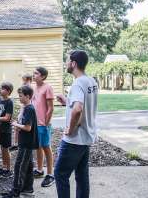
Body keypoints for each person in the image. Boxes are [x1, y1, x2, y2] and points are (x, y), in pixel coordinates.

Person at [55, 50, 98, 198]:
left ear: (73, 63)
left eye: (67, 61)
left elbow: (78, 110)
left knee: (60, 173)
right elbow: (81, 105)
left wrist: (70, 129)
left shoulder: (77, 84)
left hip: (75, 139)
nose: (65, 63)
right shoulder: (91, 81)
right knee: (81, 176)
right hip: (86, 138)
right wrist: (67, 102)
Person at [4, 85, 39, 198]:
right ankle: (28, 188)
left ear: (28, 96)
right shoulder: (27, 107)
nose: (19, 98)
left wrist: (15, 124)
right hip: (25, 142)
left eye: (21, 96)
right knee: (28, 166)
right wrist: (18, 123)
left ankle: (15, 192)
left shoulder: (29, 109)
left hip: (26, 144)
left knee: (19, 167)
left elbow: (28, 127)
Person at [32, 66, 55, 187]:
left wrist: (46, 124)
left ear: (43, 76)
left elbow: (51, 108)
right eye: (33, 73)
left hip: (43, 124)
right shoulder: (34, 88)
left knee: (46, 147)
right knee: (38, 147)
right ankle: (40, 170)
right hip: (35, 124)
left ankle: (50, 174)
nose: (33, 75)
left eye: (36, 73)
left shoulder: (48, 87)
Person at [0, 82, 14, 178]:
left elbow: (7, 118)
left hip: (6, 130)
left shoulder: (9, 102)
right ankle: (4, 167)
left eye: (3, 89)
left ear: (8, 91)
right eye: (1, 88)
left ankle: (9, 170)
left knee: (6, 149)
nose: (1, 90)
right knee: (2, 148)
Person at [10, 73, 32, 152]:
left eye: (24, 80)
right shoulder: (23, 87)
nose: (23, 82)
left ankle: (19, 144)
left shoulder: (30, 89)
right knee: (17, 127)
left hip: (26, 110)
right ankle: (16, 144)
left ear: (28, 80)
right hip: (22, 109)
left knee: (21, 127)